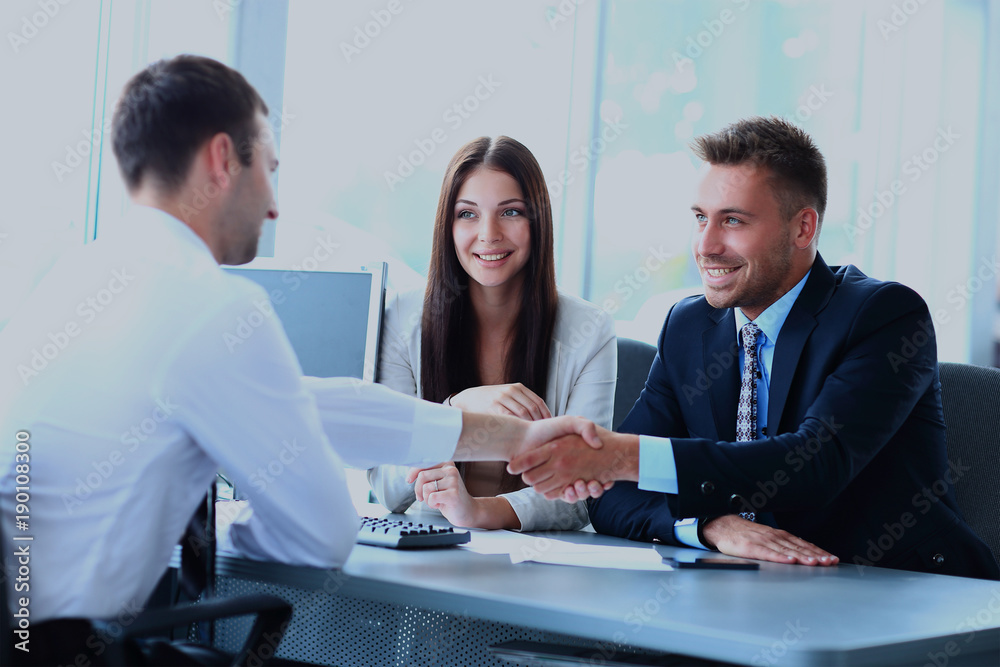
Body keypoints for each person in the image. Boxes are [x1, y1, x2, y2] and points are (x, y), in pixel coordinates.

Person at [0, 55, 601, 661]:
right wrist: (217, 524)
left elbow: (313, 404)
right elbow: (321, 532)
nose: (274, 207)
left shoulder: (75, 279)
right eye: (270, 168)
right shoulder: (211, 305)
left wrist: (516, 436)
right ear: (220, 160)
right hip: (72, 647)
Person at [510, 116, 1000, 580]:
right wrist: (709, 527)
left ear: (802, 228)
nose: (705, 244)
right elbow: (613, 496)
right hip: (747, 590)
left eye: (734, 221)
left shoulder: (883, 315)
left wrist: (626, 456)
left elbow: (816, 462)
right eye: (700, 217)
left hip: (895, 592)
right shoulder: (689, 326)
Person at [368, 136, 616, 531]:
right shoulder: (400, 316)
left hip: (535, 561)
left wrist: (480, 513)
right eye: (467, 214)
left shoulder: (589, 330)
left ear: (537, 222)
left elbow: (581, 493)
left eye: (511, 212)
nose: (489, 233)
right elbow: (386, 485)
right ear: (447, 226)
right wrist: (456, 410)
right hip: (425, 551)